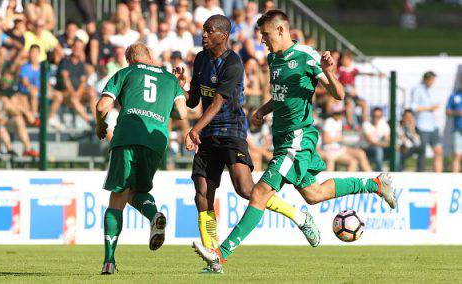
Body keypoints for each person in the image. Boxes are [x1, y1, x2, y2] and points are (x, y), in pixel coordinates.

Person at [191, 10, 397, 272]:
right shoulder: (274, 59)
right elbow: (283, 96)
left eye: (265, 35)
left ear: (280, 30)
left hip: (298, 139)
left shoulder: (307, 57)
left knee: (259, 193)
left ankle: (220, 255)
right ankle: (375, 184)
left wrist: (329, 73)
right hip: (282, 138)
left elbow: (339, 94)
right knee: (314, 194)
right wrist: (263, 111)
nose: (263, 40)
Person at [176, 14, 315, 273]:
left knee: (245, 188)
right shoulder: (201, 59)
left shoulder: (234, 63)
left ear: (223, 35)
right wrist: (180, 86)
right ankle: (214, 257)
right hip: (207, 134)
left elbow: (218, 102)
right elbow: (194, 100)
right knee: (202, 194)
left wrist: (194, 128)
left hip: (231, 132)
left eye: (209, 31)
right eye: (203, 31)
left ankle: (298, 215)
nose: (203, 35)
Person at [95, 42, 188, 274]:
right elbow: (182, 113)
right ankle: (154, 215)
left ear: (129, 60)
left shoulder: (126, 73)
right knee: (136, 191)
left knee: (118, 196)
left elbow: (102, 105)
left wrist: (100, 125)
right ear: (151, 57)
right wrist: (178, 86)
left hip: (127, 135)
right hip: (156, 142)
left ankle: (109, 261)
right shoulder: (169, 79)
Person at [410, 71, 443, 172]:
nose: (433, 82)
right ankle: (421, 174)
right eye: (432, 80)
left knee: (438, 151)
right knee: (422, 152)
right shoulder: (418, 90)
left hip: (433, 126)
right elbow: (414, 107)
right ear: (426, 79)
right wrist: (429, 108)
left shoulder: (432, 91)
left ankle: (438, 176)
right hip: (422, 125)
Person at [362, 107, 390, 171]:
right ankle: (379, 172)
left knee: (395, 150)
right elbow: (371, 141)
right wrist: (385, 144)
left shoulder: (383, 124)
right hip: (366, 148)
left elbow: (387, 138)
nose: (376, 118)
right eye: (374, 116)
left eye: (379, 116)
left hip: (381, 147)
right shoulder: (366, 124)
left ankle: (397, 171)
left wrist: (386, 143)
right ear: (371, 115)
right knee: (378, 150)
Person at [446, 79, 462, 172]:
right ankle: (455, 180)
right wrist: (457, 112)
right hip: (458, 130)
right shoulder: (454, 96)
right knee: (457, 155)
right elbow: (447, 111)